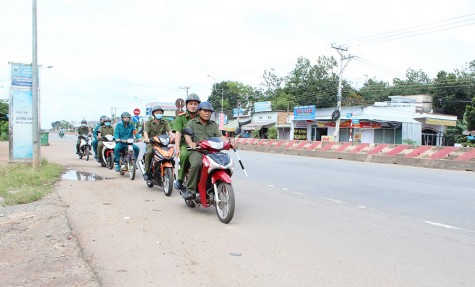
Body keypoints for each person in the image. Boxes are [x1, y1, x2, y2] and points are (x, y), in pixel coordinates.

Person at [182, 102, 236, 200]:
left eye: (209, 111)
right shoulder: (192, 123)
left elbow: (220, 136)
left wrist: (229, 142)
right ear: (199, 111)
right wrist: (191, 143)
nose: (207, 113)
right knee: (196, 164)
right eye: (205, 111)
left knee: (224, 163)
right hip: (197, 151)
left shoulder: (213, 124)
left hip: (212, 151)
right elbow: (187, 135)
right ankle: (190, 190)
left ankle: (217, 184)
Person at [172, 93, 200, 189]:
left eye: (195, 104)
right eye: (191, 104)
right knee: (184, 155)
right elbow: (178, 134)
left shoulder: (202, 116)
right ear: (187, 105)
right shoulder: (181, 117)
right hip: (185, 144)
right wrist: (177, 148)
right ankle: (180, 179)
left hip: (199, 144)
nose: (193, 106)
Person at [142, 105, 174, 180]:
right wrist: (146, 138)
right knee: (149, 152)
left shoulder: (165, 122)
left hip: (163, 143)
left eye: (160, 112)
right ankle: (146, 172)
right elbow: (145, 132)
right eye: (157, 112)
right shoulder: (148, 123)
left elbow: (170, 131)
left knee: (170, 154)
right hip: (151, 143)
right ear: (153, 114)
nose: (159, 114)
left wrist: (174, 137)